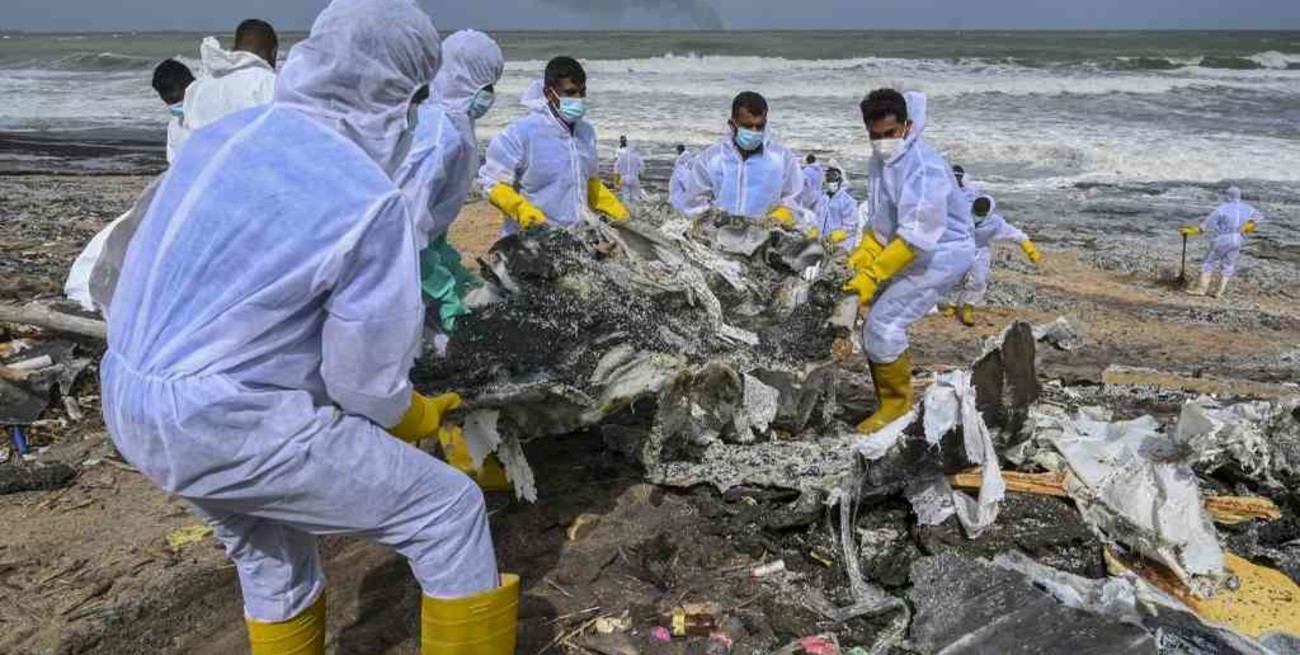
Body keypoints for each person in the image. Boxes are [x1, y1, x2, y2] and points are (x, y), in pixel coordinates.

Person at [99, 3, 517, 655]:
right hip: (229, 422)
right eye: (414, 98)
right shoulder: (362, 195)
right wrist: (416, 414)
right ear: (397, 94)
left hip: (129, 399)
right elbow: (363, 385)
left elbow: (128, 262)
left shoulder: (226, 137)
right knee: (447, 512)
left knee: (271, 553)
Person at [394, 29, 509, 492]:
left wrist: (449, 266)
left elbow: (431, 225)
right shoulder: (438, 132)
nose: (491, 95)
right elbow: (406, 224)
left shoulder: (454, 123)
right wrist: (440, 288)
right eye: (488, 82)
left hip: (421, 256)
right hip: (402, 265)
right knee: (444, 359)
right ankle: (460, 464)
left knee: (434, 361)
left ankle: (459, 457)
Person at [842, 89, 976, 434]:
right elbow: (883, 219)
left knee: (883, 325)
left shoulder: (923, 167)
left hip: (942, 254)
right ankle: (888, 401)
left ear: (907, 125)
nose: (883, 141)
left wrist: (873, 275)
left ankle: (896, 408)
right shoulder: (882, 161)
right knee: (873, 323)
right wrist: (866, 252)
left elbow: (917, 236)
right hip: (908, 248)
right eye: (875, 135)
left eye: (890, 133)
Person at [480, 56, 628, 235]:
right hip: (532, 240)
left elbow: (589, 181)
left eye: (583, 91)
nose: (579, 98)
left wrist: (616, 210)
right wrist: (525, 214)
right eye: (571, 92)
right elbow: (493, 184)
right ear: (550, 94)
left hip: (578, 238)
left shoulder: (586, 133)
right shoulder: (521, 133)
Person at [678, 91, 805, 228]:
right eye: (748, 126)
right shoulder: (711, 159)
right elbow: (693, 204)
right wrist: (714, 221)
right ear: (733, 124)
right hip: (720, 238)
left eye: (759, 126)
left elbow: (796, 200)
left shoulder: (782, 159)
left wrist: (782, 215)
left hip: (766, 239)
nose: (755, 132)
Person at [943, 195, 1041, 327]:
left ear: (988, 213)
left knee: (978, 280)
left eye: (980, 214)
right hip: (960, 249)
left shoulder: (995, 222)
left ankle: (968, 307)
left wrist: (1029, 248)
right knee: (955, 278)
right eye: (975, 212)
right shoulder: (963, 213)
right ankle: (952, 305)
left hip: (980, 252)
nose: (977, 216)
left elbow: (1014, 233)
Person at [183, 19, 278, 132]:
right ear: (274, 52)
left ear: (233, 49)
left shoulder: (197, 87)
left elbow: (187, 137)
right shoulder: (271, 83)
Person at [1180, 186, 1265, 298]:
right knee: (1228, 264)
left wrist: (1191, 230)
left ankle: (1201, 289)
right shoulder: (1248, 208)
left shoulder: (1222, 208)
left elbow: (1204, 226)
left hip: (1223, 238)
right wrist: (1248, 225)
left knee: (1208, 262)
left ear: (1228, 196)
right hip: (1238, 238)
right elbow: (1260, 217)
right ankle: (1219, 292)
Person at [151, 59, 195, 163]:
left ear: (189, 85)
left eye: (175, 100)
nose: (173, 105)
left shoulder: (211, 110)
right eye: (168, 101)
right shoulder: (174, 125)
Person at [807, 165, 858, 250]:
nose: (831, 180)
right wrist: (813, 231)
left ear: (840, 180)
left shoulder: (848, 201)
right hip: (820, 245)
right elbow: (815, 219)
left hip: (840, 247)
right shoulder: (821, 198)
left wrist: (834, 237)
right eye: (828, 176)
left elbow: (850, 228)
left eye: (834, 177)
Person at [613, 135, 645, 204]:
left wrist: (615, 183)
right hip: (634, 178)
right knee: (635, 197)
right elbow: (642, 170)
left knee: (625, 197)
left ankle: (626, 211)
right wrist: (640, 177)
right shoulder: (638, 157)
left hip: (623, 178)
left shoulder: (621, 157)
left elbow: (616, 170)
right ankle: (634, 211)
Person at [669, 143, 696, 212]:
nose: (677, 152)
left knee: (681, 190)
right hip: (682, 175)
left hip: (682, 175)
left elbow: (686, 165)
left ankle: (681, 205)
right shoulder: (685, 155)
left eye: (678, 150)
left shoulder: (684, 156)